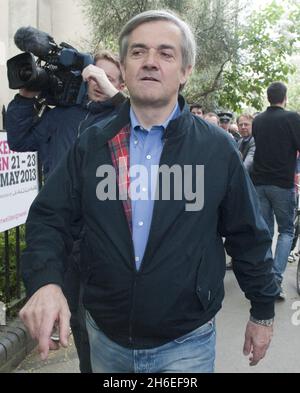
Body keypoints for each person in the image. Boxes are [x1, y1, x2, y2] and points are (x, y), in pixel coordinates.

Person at [19, 10, 278, 373]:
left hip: (186, 342)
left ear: (185, 71)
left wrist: (262, 312)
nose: (151, 62)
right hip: (105, 337)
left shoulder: (217, 149)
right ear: (124, 69)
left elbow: (248, 235)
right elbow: (50, 218)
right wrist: (46, 282)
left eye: (166, 53)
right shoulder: (93, 143)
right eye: (138, 52)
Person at [6, 50, 126, 373]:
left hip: (101, 239)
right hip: (62, 238)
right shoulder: (61, 116)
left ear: (121, 85)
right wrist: (27, 94)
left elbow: (149, 123)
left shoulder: (122, 121)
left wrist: (116, 99)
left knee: (100, 322)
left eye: (110, 78)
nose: (99, 83)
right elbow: (18, 139)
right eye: (94, 76)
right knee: (77, 323)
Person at [251, 82, 300, 300]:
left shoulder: (258, 120)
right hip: (282, 184)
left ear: (268, 97)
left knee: (265, 231)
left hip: (259, 182)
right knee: (286, 231)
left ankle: (264, 279)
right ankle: (275, 279)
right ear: (285, 97)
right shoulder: (292, 118)